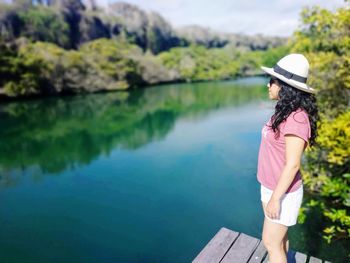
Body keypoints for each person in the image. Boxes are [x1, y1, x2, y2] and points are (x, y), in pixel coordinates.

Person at [256, 54, 319, 263]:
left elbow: (292, 165)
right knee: (280, 242)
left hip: (282, 192)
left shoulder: (296, 118)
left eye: (272, 81)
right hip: (271, 186)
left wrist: (275, 198)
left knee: (271, 244)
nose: (268, 85)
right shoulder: (284, 111)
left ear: (284, 87)